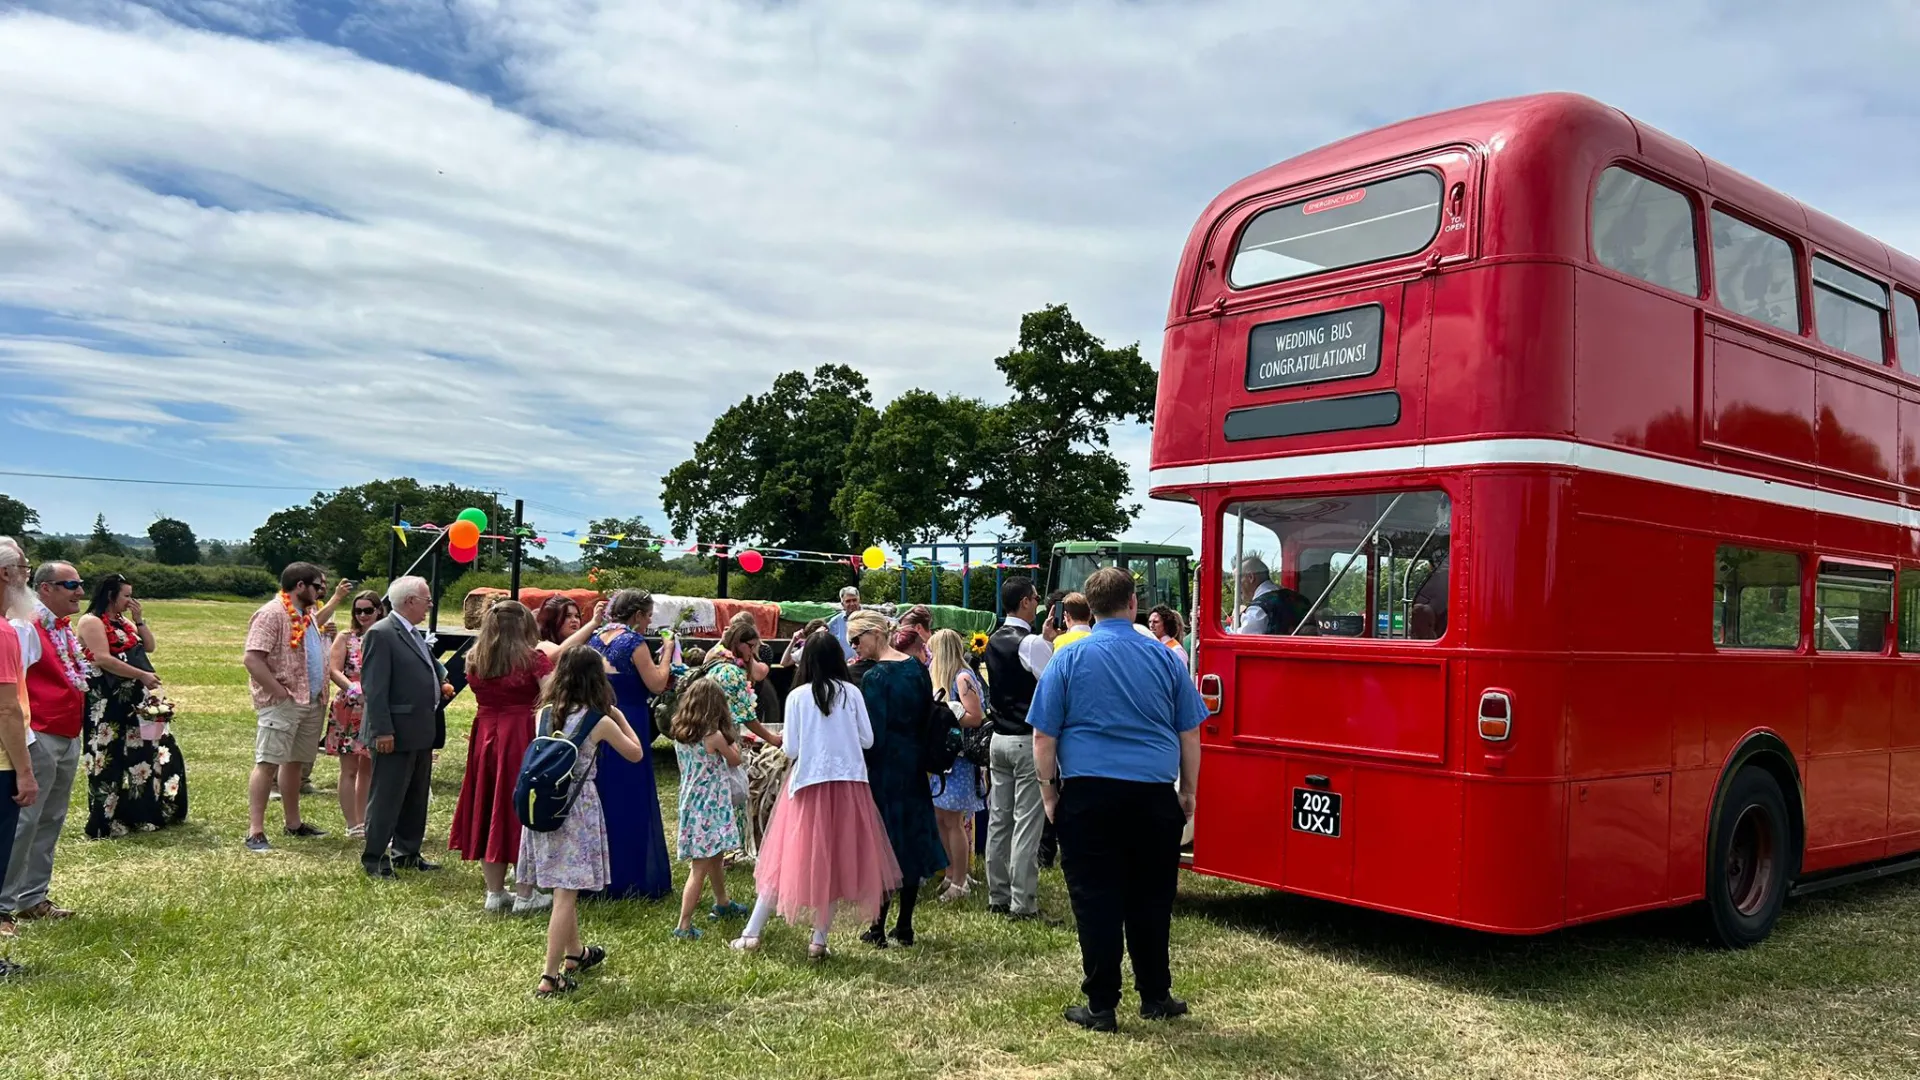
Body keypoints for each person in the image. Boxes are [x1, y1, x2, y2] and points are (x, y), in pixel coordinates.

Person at [1032, 567, 1204, 1032]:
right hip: (1152, 792)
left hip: (1088, 792)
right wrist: (1188, 791)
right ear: (1134, 604)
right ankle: (1155, 994)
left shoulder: (1067, 658)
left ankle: (1102, 1004)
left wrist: (1050, 793)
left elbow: (1044, 735)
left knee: (1095, 900)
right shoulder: (1166, 657)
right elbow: (1190, 731)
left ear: (1088, 608)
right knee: (1152, 898)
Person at [731, 632, 900, 960]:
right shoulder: (852, 693)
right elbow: (867, 740)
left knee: (783, 860)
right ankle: (818, 940)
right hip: (850, 784)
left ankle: (751, 933)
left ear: (806, 659)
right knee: (835, 861)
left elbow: (791, 748)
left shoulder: (797, 696)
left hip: (808, 783)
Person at [518, 646, 651, 997]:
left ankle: (575, 953)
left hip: (546, 805)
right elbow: (636, 753)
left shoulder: (544, 714)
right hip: (577, 807)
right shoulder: (599, 721)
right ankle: (549, 976)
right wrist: (620, 718)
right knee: (565, 893)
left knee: (565, 885)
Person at [451, 600, 556, 913]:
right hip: (521, 733)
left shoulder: (474, 658)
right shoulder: (533, 659)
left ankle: (495, 892)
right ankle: (525, 893)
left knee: (486, 804)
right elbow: (551, 698)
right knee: (522, 806)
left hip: (485, 734)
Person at [850, 610, 945, 947]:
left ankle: (877, 926)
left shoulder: (876, 678)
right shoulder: (916, 669)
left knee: (884, 844)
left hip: (885, 767)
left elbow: (872, 735)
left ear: (875, 633)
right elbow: (926, 717)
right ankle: (904, 925)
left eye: (856, 638)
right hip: (914, 762)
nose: (854, 646)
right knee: (912, 841)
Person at [1, 561, 89, 927]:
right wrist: (28, 740)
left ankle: (33, 896)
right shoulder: (25, 626)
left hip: (67, 733)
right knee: (24, 821)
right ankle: (3, 904)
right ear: (46, 589)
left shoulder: (62, 629)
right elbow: (13, 687)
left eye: (81, 584)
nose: (80, 592)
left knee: (51, 818)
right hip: (39, 734)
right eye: (71, 585)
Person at [241, 562, 347, 852]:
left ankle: (293, 823)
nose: (321, 590)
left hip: (311, 700)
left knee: (295, 763)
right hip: (284, 702)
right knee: (267, 763)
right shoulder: (272, 613)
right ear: (300, 586)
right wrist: (278, 691)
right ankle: (255, 831)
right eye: (317, 585)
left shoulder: (308, 614)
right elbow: (252, 659)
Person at [76, 574, 183, 838]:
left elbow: (149, 646)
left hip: (133, 701)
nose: (130, 600)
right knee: (106, 759)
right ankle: (105, 820)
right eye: (126, 596)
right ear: (110, 596)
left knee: (141, 756)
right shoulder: (91, 621)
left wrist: (139, 620)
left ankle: (140, 813)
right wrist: (141, 675)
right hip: (106, 701)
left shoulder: (123, 622)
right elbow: (102, 658)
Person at [585, 589, 674, 900]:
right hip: (631, 719)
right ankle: (631, 876)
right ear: (637, 615)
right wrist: (667, 651)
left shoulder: (595, 638)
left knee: (604, 795)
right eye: (648, 616)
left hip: (601, 718)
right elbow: (657, 683)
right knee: (631, 794)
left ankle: (599, 874)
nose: (649, 622)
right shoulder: (634, 643)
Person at [360, 577, 445, 878]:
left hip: (419, 729)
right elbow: (374, 687)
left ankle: (407, 852)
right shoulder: (382, 634)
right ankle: (375, 857)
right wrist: (383, 730)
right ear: (410, 601)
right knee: (387, 796)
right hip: (394, 731)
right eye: (427, 600)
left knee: (415, 796)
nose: (430, 606)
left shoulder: (411, 632)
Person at [984, 575, 1056, 920]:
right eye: (1036, 598)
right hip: (1026, 739)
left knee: (999, 819)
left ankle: (996, 893)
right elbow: (1053, 684)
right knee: (1027, 822)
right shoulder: (1029, 642)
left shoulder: (994, 638)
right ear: (1026, 601)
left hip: (998, 737)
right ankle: (1022, 902)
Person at [670, 679, 745, 939]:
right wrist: (732, 739)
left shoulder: (680, 733)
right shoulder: (713, 737)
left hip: (692, 800)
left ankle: (722, 902)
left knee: (715, 855)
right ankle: (683, 924)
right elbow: (735, 759)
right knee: (699, 867)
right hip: (711, 804)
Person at [0, 539, 40, 953]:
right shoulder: (5, 633)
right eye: (24, 569)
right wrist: (25, 771)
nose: (27, 577)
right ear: (5, 574)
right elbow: (8, 710)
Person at [927, 628, 986, 902]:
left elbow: (976, 716)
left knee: (953, 819)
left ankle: (960, 881)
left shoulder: (963, 678)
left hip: (959, 759)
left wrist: (946, 714)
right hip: (942, 757)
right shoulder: (943, 677)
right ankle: (951, 872)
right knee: (941, 817)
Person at [324, 590, 381, 838]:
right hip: (350, 705)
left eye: (368, 610)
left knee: (369, 767)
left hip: (376, 706)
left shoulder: (384, 636)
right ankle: (352, 823)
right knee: (349, 768)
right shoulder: (347, 637)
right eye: (358, 611)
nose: (363, 615)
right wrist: (351, 687)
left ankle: (365, 820)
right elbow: (333, 669)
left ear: (379, 610)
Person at [1233, 557, 1312, 635]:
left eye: (1237, 581)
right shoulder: (1299, 598)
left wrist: (1232, 627)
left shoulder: (1257, 609)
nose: (1236, 587)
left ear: (1251, 577)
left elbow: (1242, 641)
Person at [825, 585, 862, 660]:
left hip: (868, 666)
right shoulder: (834, 622)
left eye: (854, 600)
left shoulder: (870, 617)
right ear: (842, 604)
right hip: (844, 667)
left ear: (859, 601)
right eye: (848, 601)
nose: (852, 604)